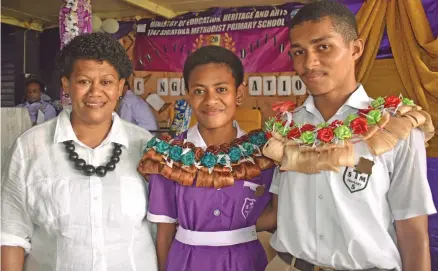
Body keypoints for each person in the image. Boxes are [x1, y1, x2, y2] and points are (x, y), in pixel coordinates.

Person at [265, 1, 436, 271]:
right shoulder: (284, 129)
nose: (309, 63)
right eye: (299, 51)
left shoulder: (394, 128)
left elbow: (413, 232)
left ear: (355, 48)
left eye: (323, 47)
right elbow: (275, 213)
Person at [1, 32, 158, 271]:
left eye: (106, 82)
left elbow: (163, 227)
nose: (95, 92)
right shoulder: (29, 147)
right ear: (66, 85)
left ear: (120, 87)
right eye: (84, 81)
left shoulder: (146, 147)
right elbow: (11, 234)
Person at [140, 46, 276, 271]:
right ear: (188, 95)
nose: (211, 100)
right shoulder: (169, 156)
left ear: (239, 94)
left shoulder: (265, 153)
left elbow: (276, 217)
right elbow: (165, 233)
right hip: (186, 262)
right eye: (199, 91)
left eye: (221, 89)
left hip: (247, 262)